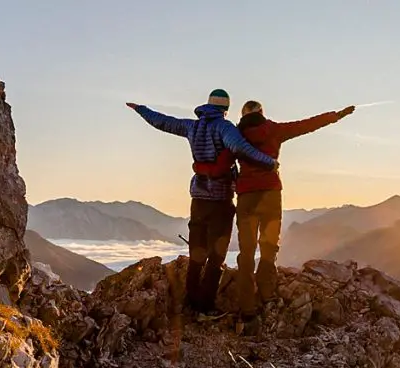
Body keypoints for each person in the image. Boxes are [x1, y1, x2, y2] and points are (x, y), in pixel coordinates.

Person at [127, 89, 280, 317]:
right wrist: (269, 163)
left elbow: (163, 122)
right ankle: (205, 305)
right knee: (216, 257)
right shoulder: (224, 128)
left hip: (198, 198)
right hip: (220, 199)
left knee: (197, 253)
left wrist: (141, 109)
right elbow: (240, 148)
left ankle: (190, 300)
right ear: (225, 109)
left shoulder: (192, 126)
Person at [234, 100, 355, 334]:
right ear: (261, 112)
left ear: (243, 114)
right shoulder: (274, 130)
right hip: (270, 195)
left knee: (246, 251)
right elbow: (306, 125)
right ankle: (267, 296)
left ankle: (247, 308)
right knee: (269, 247)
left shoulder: (236, 134)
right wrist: (335, 115)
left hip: (247, 196)